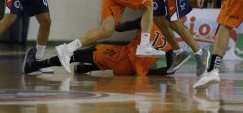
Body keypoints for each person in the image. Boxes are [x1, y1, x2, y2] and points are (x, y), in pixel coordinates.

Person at [22, 17, 173, 76]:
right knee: (110, 57)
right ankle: (85, 69)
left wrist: (112, 16)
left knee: (76, 54)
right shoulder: (173, 40)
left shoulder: (148, 19)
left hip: (123, 58)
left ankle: (34, 65)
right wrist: (147, 73)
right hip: (134, 71)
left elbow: (119, 28)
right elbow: (170, 70)